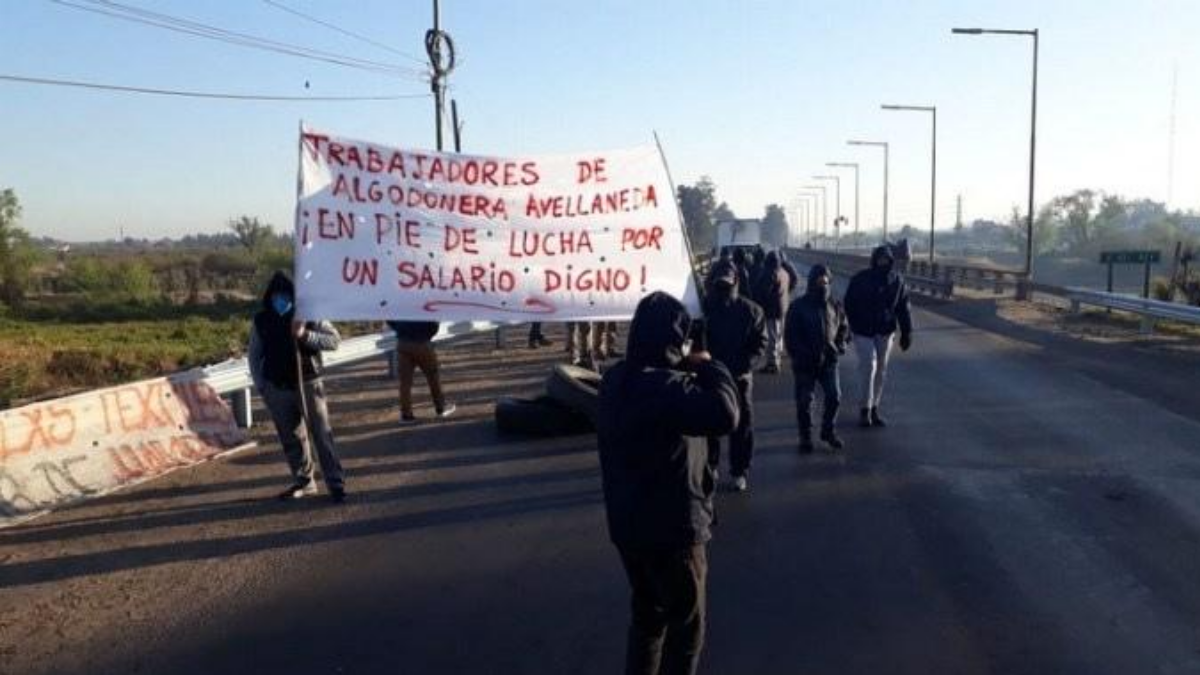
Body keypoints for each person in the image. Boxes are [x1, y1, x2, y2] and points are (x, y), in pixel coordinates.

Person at [598, 291, 740, 675]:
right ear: (674, 341)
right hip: (674, 533)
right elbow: (727, 414)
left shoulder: (615, 381)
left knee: (647, 619)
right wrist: (709, 365)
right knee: (686, 631)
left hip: (628, 528)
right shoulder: (667, 389)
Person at [248, 271, 346, 503]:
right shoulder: (261, 320)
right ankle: (304, 482)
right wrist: (262, 386)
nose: (280, 299)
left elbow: (334, 341)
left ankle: (336, 483)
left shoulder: (310, 315)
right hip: (277, 387)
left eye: (285, 295)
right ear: (269, 297)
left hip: (309, 384)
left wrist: (305, 335)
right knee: (291, 438)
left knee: (322, 435)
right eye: (275, 295)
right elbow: (254, 355)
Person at [703, 259, 767, 492]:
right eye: (720, 282)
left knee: (743, 426)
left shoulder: (752, 310)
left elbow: (760, 344)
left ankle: (740, 470)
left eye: (728, 282)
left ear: (736, 281)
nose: (724, 286)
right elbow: (693, 339)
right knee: (709, 426)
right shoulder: (702, 309)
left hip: (740, 378)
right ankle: (710, 466)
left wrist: (744, 365)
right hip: (710, 377)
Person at [842, 245, 913, 428]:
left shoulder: (897, 280)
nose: (883, 263)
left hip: (885, 330)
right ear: (874, 260)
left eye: (886, 260)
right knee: (869, 366)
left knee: (881, 370)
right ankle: (864, 409)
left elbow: (903, 308)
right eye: (880, 259)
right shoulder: (860, 279)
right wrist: (847, 328)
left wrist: (907, 332)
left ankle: (874, 408)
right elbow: (848, 305)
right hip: (863, 330)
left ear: (891, 261)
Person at [785, 264, 849, 452]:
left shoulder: (834, 305)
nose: (823, 284)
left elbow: (844, 328)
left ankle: (828, 431)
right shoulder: (798, 307)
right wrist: (802, 354)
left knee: (834, 397)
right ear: (812, 282)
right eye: (820, 281)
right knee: (804, 401)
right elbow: (791, 337)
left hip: (829, 361)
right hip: (805, 363)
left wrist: (840, 345)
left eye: (826, 281)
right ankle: (805, 436)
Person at [387, 320, 457, 425]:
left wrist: (400, 329)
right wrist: (426, 336)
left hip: (402, 343)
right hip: (422, 343)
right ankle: (441, 408)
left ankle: (406, 415)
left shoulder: (401, 304)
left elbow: (390, 319)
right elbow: (434, 325)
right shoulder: (422, 304)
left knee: (405, 382)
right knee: (433, 376)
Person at [754, 250, 791, 374]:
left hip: (772, 309)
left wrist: (758, 305)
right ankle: (777, 358)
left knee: (772, 337)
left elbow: (764, 292)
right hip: (782, 307)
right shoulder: (784, 272)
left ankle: (772, 364)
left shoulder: (770, 273)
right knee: (778, 334)